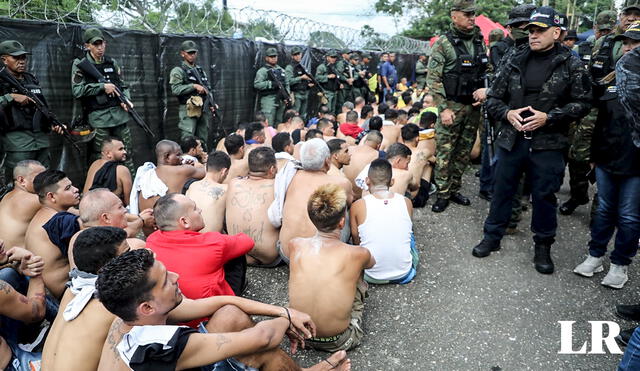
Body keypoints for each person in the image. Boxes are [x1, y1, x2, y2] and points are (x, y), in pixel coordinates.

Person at [471, 7, 591, 275]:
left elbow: (583, 103)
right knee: (502, 189)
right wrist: (508, 113)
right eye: (531, 31)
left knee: (544, 196)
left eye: (540, 30)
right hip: (512, 139)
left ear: (556, 32)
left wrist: (549, 117)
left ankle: (543, 246)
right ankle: (492, 236)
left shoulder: (570, 63)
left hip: (548, 142)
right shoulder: (516, 56)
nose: (533, 35)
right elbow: (493, 99)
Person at [95, 248, 351, 371]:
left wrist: (281, 310)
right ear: (147, 306)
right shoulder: (158, 346)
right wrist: (285, 319)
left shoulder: (134, 316)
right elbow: (263, 338)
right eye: (165, 280)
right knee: (260, 353)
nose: (176, 276)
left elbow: (221, 302)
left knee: (230, 314)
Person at [572, 23, 640, 289]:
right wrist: (592, 155)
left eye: (634, 43)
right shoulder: (612, 79)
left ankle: (620, 264)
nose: (628, 48)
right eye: (626, 43)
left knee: (629, 216)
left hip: (635, 163)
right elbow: (598, 120)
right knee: (603, 211)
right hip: (607, 158)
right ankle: (595, 255)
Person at [288, 184, 374, 352]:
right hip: (339, 340)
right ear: (342, 222)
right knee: (357, 271)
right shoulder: (358, 254)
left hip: (299, 333)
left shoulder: (295, 245)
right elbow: (372, 263)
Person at [426, 0, 490, 213]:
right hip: (451, 106)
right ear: (455, 16)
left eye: (474, 14)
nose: (472, 18)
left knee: (464, 152)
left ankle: (454, 188)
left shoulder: (480, 40)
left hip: (472, 107)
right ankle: (443, 193)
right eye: (467, 14)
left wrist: (485, 92)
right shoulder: (444, 43)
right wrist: (443, 108)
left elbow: (487, 70)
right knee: (445, 152)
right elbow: (433, 79)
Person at [42, 226, 132, 371]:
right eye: (127, 254)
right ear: (103, 269)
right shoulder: (113, 305)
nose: (133, 256)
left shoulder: (74, 289)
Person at [147, 193, 254, 309]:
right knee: (234, 250)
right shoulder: (213, 242)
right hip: (211, 314)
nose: (200, 210)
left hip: (173, 312)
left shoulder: (151, 240)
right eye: (194, 208)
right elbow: (248, 242)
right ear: (184, 222)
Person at [72, 28, 135, 174]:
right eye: (96, 44)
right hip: (99, 118)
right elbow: (77, 91)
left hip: (119, 116)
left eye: (102, 44)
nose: (100, 48)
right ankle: (100, 187)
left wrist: (126, 99)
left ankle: (129, 186)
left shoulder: (112, 63)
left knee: (126, 153)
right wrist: (101, 87)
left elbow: (123, 85)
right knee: (100, 155)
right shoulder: (80, 64)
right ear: (87, 46)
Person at [278, 139, 353, 262]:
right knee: (348, 207)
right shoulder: (341, 182)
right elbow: (351, 202)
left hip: (287, 254)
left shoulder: (290, 177)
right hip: (321, 257)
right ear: (327, 160)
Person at [351, 159, 417, 284]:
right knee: (410, 234)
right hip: (404, 273)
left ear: (367, 181)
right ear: (392, 182)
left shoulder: (358, 205)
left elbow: (356, 239)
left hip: (370, 275)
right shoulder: (406, 202)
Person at [0, 40, 54, 181]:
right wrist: (10, 97)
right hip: (18, 141)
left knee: (44, 179)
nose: (22, 61)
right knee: (19, 181)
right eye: (16, 57)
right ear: (4, 60)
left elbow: (42, 105)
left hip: (40, 138)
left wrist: (52, 123)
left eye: (23, 57)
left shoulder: (31, 79)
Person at [25, 169, 81, 299]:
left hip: (50, 292)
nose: (76, 189)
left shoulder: (44, 214)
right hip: (65, 294)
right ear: (51, 196)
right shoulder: (59, 221)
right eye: (68, 188)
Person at [67, 189, 151, 268]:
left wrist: (140, 220)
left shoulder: (76, 239)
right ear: (106, 217)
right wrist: (141, 220)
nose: (125, 210)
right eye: (120, 207)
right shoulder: (133, 245)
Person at [226, 147, 280, 267]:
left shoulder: (234, 183)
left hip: (238, 252)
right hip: (269, 256)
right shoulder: (277, 185)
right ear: (272, 169)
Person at [0, 247, 45, 371]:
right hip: (12, 365)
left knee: (9, 274)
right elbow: (38, 311)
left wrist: (17, 267)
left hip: (8, 346)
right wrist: (35, 271)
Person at [130, 139, 205, 214]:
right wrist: (195, 164)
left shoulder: (147, 175)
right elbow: (207, 172)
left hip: (148, 222)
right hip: (170, 221)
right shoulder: (182, 170)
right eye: (178, 155)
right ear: (167, 157)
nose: (181, 158)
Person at [169, 40, 215, 145]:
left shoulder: (199, 70)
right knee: (188, 140)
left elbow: (207, 88)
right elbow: (175, 90)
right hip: (188, 109)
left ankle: (203, 159)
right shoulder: (178, 70)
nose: (192, 55)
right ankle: (187, 161)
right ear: (182, 54)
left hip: (202, 108)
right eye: (189, 53)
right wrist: (193, 86)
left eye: (194, 52)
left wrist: (212, 103)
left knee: (203, 139)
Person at [0, 160, 44, 251]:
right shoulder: (33, 200)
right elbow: (77, 213)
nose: (46, 181)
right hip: (17, 261)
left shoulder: (7, 196)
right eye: (40, 177)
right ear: (22, 180)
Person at [185, 151, 229, 233]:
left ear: (206, 168)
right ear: (224, 171)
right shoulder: (226, 189)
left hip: (190, 238)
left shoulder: (192, 186)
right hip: (211, 242)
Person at [83, 136, 132, 206]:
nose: (125, 152)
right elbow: (129, 203)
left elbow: (85, 195)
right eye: (120, 149)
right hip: (112, 213)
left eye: (124, 149)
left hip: (89, 211)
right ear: (108, 153)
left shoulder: (94, 165)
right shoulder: (123, 170)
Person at [254, 48, 290, 127]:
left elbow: (286, 84)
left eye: (275, 56)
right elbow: (257, 84)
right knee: (268, 124)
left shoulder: (282, 70)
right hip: (269, 100)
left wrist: (286, 96)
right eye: (271, 56)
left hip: (281, 100)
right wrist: (271, 84)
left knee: (279, 123)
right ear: (266, 58)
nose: (273, 58)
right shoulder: (263, 71)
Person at [343, 130, 382, 197]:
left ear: (365, 141)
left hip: (346, 193)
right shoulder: (378, 155)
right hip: (362, 196)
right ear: (378, 146)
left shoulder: (348, 149)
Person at [286, 46, 313, 120]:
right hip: (296, 94)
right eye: (295, 55)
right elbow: (289, 81)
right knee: (295, 115)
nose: (298, 56)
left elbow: (304, 80)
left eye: (299, 54)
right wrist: (301, 77)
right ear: (292, 56)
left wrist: (308, 84)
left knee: (303, 116)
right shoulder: (290, 67)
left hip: (304, 93)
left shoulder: (302, 66)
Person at [315, 50, 340, 115]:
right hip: (326, 92)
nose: (334, 59)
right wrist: (327, 77)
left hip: (334, 91)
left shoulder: (334, 67)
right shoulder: (322, 67)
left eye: (335, 57)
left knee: (332, 111)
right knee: (327, 111)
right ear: (327, 57)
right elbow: (317, 78)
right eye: (332, 57)